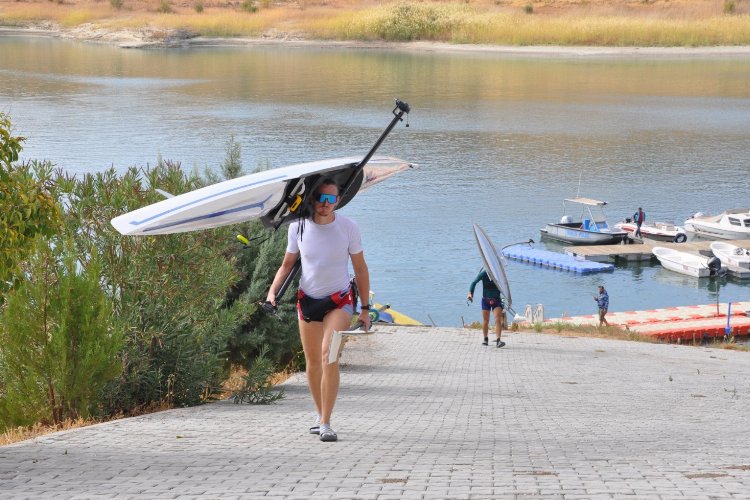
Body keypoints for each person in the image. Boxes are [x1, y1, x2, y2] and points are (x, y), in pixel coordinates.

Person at [266, 178, 371, 443]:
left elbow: (360, 269)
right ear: (312, 200)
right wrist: (272, 291)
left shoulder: (348, 227)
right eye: (321, 199)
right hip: (308, 300)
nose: (325, 205)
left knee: (329, 356)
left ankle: (326, 422)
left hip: (340, 300)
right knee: (312, 363)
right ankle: (319, 414)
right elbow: (287, 264)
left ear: (338, 200)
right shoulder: (298, 227)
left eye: (331, 200)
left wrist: (365, 309)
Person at [467, 269, 506, 348]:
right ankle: (485, 339)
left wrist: (504, 302)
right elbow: (474, 282)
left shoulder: (498, 273)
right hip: (486, 300)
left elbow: (505, 288)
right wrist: (470, 293)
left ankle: (498, 340)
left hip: (496, 300)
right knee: (486, 320)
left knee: (497, 319)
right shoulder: (484, 273)